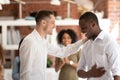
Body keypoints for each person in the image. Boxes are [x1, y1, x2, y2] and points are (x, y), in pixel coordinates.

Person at [19, 10, 87, 80]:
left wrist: (83, 41)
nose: (54, 26)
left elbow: (62, 52)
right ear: (43, 22)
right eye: (52, 23)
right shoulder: (30, 42)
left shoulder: (43, 42)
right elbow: (25, 73)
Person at [77, 11, 120, 80]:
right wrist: (90, 73)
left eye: (84, 28)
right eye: (81, 28)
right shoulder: (86, 45)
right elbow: (79, 71)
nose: (82, 31)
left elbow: (117, 73)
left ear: (93, 24)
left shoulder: (109, 42)